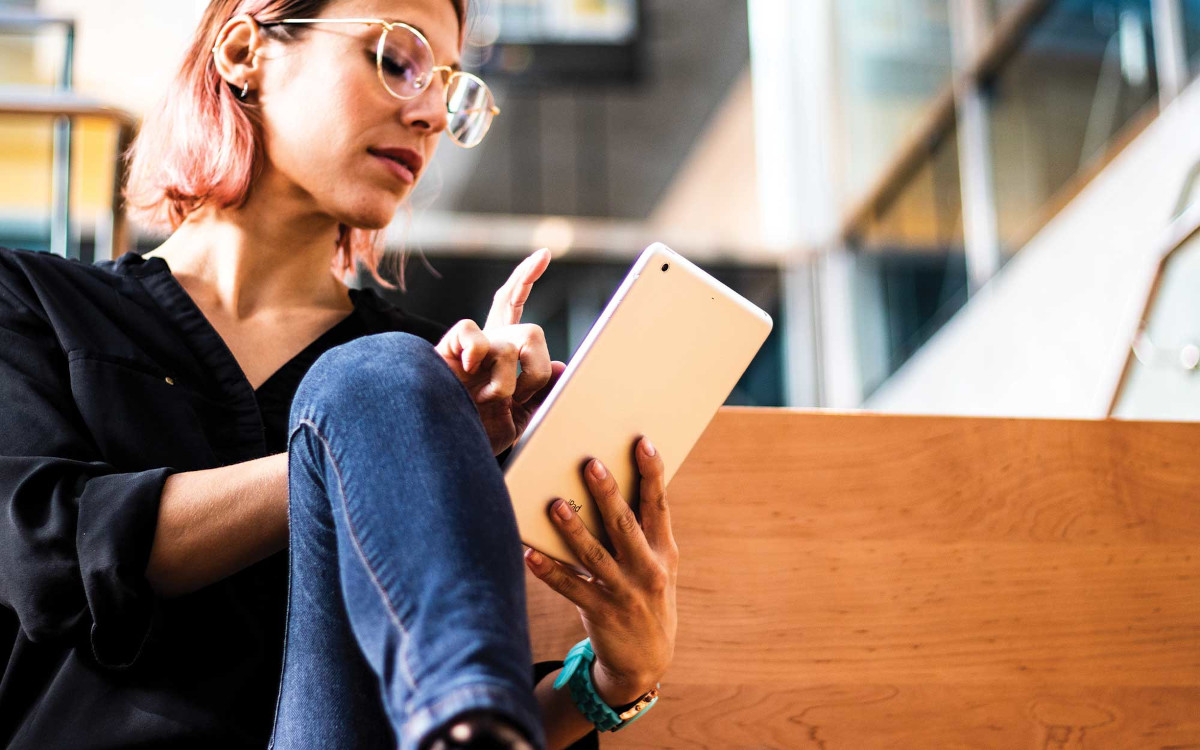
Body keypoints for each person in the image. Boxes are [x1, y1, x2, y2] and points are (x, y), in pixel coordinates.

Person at [0, 0, 679, 748]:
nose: (428, 116)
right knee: (379, 380)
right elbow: (44, 557)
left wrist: (615, 677)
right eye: (397, 60)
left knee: (385, 374)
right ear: (242, 53)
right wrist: (349, 457)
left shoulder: (437, 385)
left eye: (451, 91)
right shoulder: (34, 303)